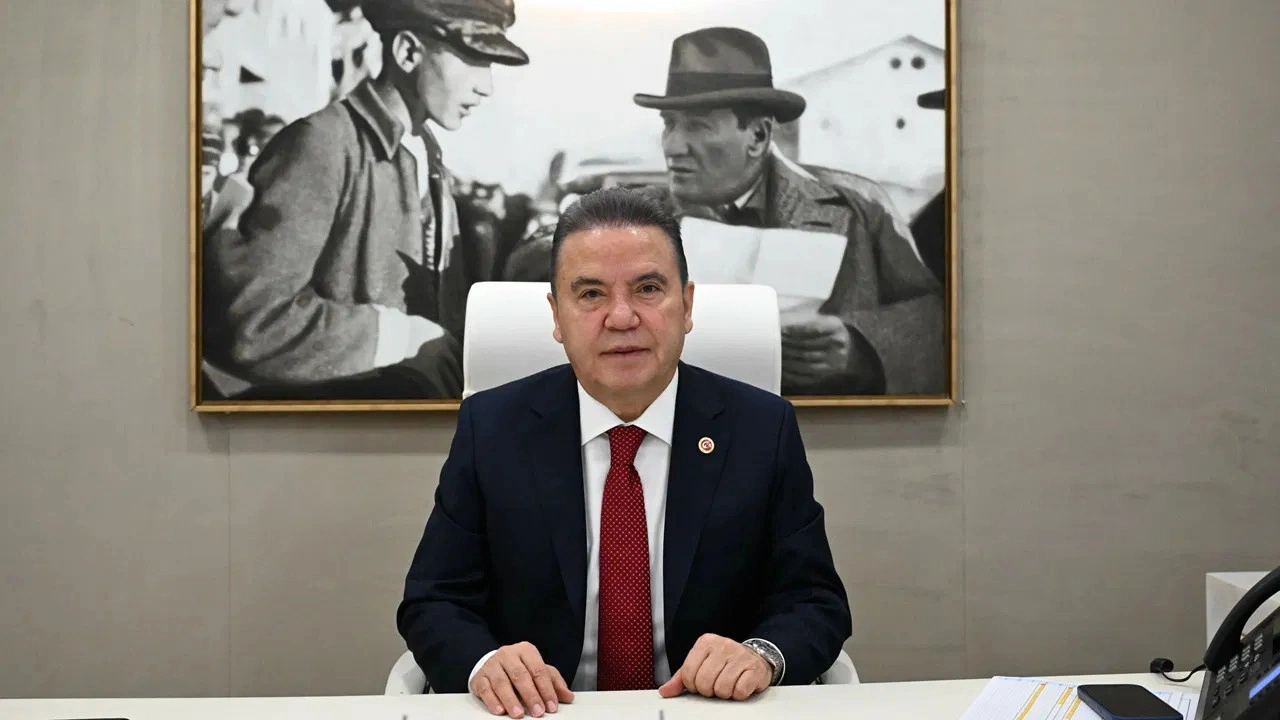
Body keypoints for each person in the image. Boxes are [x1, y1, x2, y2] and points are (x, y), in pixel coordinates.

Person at [397, 187, 851, 717]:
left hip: (707, 712)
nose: (620, 317)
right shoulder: (492, 428)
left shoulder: (760, 429)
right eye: (590, 294)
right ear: (557, 315)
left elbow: (814, 602)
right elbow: (434, 599)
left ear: (686, 306)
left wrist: (761, 655)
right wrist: (485, 663)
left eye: (648, 289)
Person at [201, 0, 529, 400]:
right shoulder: (323, 144)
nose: (486, 86)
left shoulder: (427, 157)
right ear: (407, 52)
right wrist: (397, 338)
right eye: (473, 59)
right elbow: (253, 323)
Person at [632, 27, 946, 396]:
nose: (673, 146)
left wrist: (860, 347)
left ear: (758, 136)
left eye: (699, 128)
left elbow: (931, 316)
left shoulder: (860, 205)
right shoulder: (638, 222)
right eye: (669, 125)